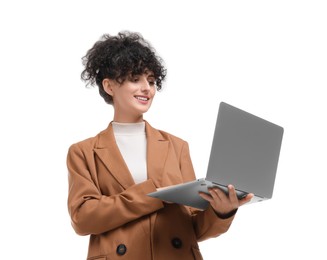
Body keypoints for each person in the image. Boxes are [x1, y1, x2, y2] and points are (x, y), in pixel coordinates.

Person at [66, 31, 253, 260]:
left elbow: (193, 227)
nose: (147, 88)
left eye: (152, 81)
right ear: (109, 86)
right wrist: (151, 195)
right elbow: (83, 219)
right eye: (135, 79)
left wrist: (222, 212)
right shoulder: (83, 152)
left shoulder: (177, 146)